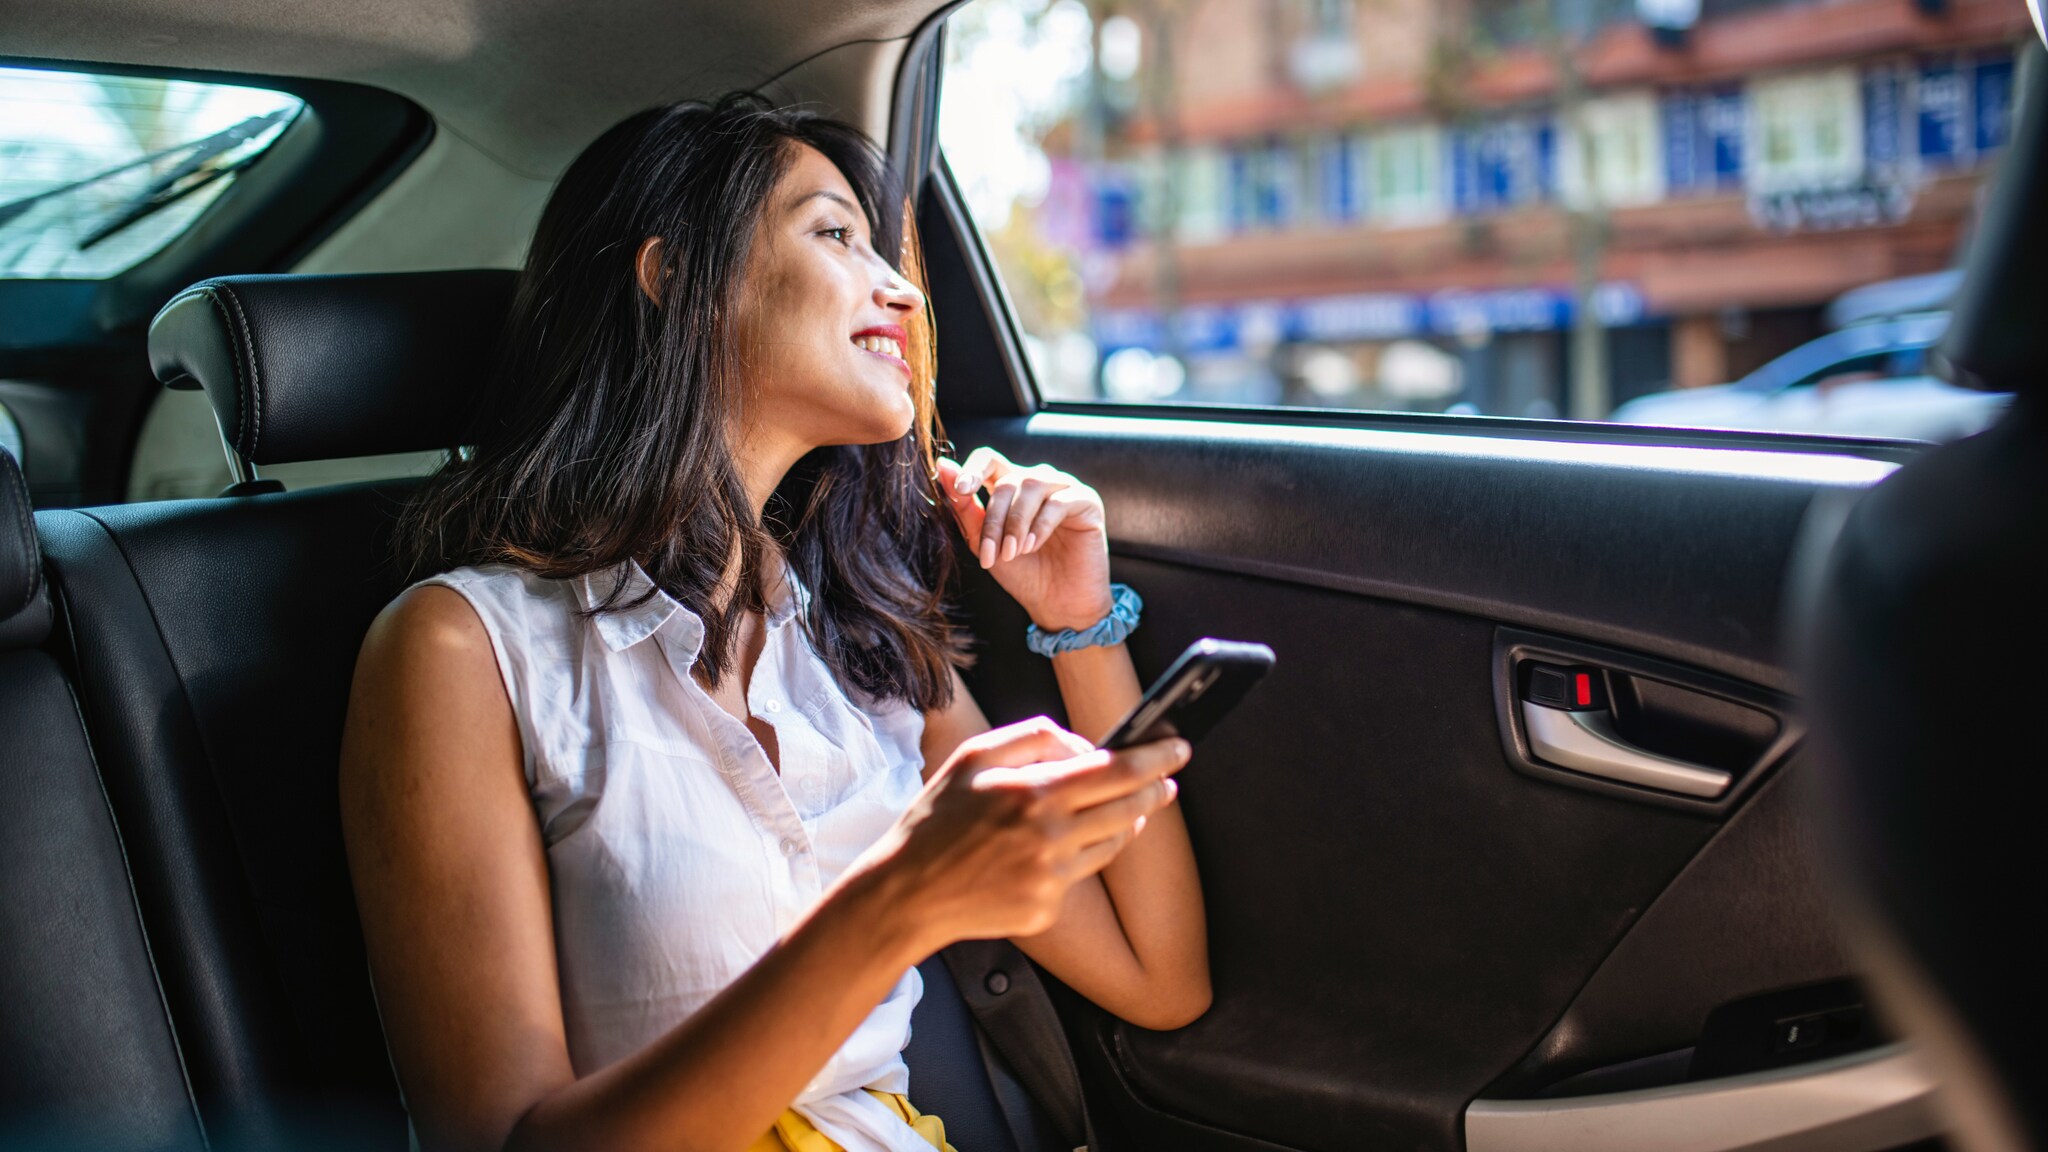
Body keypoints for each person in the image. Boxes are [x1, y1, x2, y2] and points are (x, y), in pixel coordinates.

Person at [338, 93, 1211, 1152]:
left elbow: (1158, 978)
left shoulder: (860, 642)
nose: (901, 292)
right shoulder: (462, 649)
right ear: (679, 280)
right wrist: (900, 899)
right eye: (836, 234)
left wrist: (1080, 625)